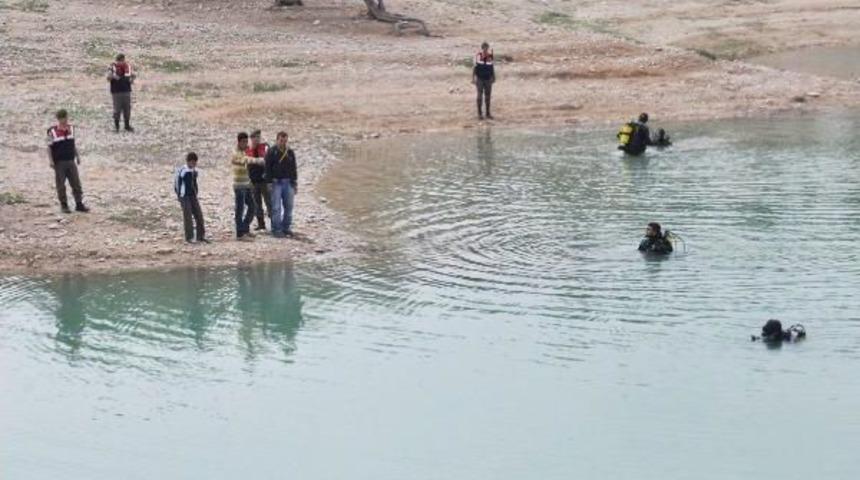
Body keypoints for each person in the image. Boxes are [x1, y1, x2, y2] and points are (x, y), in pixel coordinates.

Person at [46, 109, 89, 214]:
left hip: (70, 160)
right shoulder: (52, 132)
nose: (64, 120)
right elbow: (49, 147)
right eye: (62, 118)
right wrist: (51, 161)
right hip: (59, 162)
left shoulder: (71, 129)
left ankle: (79, 203)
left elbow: (72, 144)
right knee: (61, 184)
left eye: (65, 117)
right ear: (58, 119)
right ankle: (64, 205)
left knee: (76, 183)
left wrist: (77, 156)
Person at [264, 131, 298, 238]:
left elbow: (293, 168)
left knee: (289, 206)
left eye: (285, 141)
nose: (283, 143)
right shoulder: (271, 152)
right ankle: (276, 229)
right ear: (277, 140)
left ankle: (286, 227)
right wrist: (269, 182)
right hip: (276, 182)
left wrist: (295, 182)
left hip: (288, 182)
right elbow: (267, 168)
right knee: (276, 207)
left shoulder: (290, 152)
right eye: (281, 140)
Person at [231, 132, 264, 240]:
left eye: (246, 141)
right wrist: (257, 160)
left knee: (252, 207)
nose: (246, 144)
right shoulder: (235, 152)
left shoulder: (244, 152)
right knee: (239, 210)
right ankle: (240, 234)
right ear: (239, 142)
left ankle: (244, 229)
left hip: (246, 184)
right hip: (239, 185)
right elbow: (244, 160)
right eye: (244, 142)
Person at [174, 152, 207, 243]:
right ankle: (189, 237)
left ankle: (200, 236)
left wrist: (196, 192)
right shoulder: (183, 171)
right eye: (192, 162)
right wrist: (179, 195)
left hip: (192, 195)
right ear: (188, 162)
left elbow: (194, 183)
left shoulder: (194, 171)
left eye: (195, 163)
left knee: (199, 215)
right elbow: (177, 183)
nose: (194, 164)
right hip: (184, 196)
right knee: (187, 216)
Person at [246, 129, 271, 231]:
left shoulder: (264, 147)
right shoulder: (248, 150)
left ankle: (274, 223)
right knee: (257, 203)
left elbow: (266, 161)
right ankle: (261, 224)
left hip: (264, 180)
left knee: (269, 202)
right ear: (251, 139)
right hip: (253, 180)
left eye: (258, 137)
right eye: (255, 138)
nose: (257, 140)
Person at [107, 53, 135, 133]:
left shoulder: (127, 67)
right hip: (116, 92)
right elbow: (108, 78)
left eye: (122, 61)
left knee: (127, 109)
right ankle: (117, 126)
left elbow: (132, 76)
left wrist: (132, 78)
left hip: (126, 90)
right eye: (120, 61)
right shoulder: (112, 67)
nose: (121, 62)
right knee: (117, 110)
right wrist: (113, 76)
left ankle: (127, 125)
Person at [472, 42, 495, 120]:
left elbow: (492, 67)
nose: (485, 49)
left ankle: (488, 113)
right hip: (480, 79)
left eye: (486, 48)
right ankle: (479, 114)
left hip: (488, 78)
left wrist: (493, 77)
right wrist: (473, 78)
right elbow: (475, 67)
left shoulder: (490, 56)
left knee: (488, 96)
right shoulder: (478, 56)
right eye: (484, 48)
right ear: (482, 48)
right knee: (479, 96)